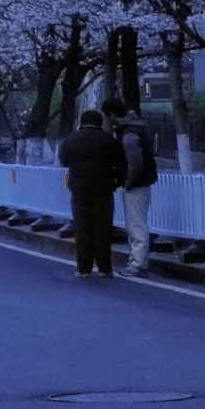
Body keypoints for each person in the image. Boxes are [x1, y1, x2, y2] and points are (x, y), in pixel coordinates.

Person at [58, 109, 126, 278]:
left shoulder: (71, 139)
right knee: (103, 229)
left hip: (79, 190)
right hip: (103, 190)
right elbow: (121, 162)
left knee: (82, 229)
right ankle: (105, 268)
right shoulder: (108, 140)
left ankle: (84, 269)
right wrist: (117, 181)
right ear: (99, 122)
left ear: (81, 121)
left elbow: (63, 159)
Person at [102, 97, 159, 276]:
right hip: (142, 182)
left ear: (112, 115)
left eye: (107, 116)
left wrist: (128, 183)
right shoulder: (135, 129)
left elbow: (135, 164)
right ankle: (138, 262)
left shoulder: (128, 135)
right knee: (137, 223)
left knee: (136, 224)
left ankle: (138, 264)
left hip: (137, 184)